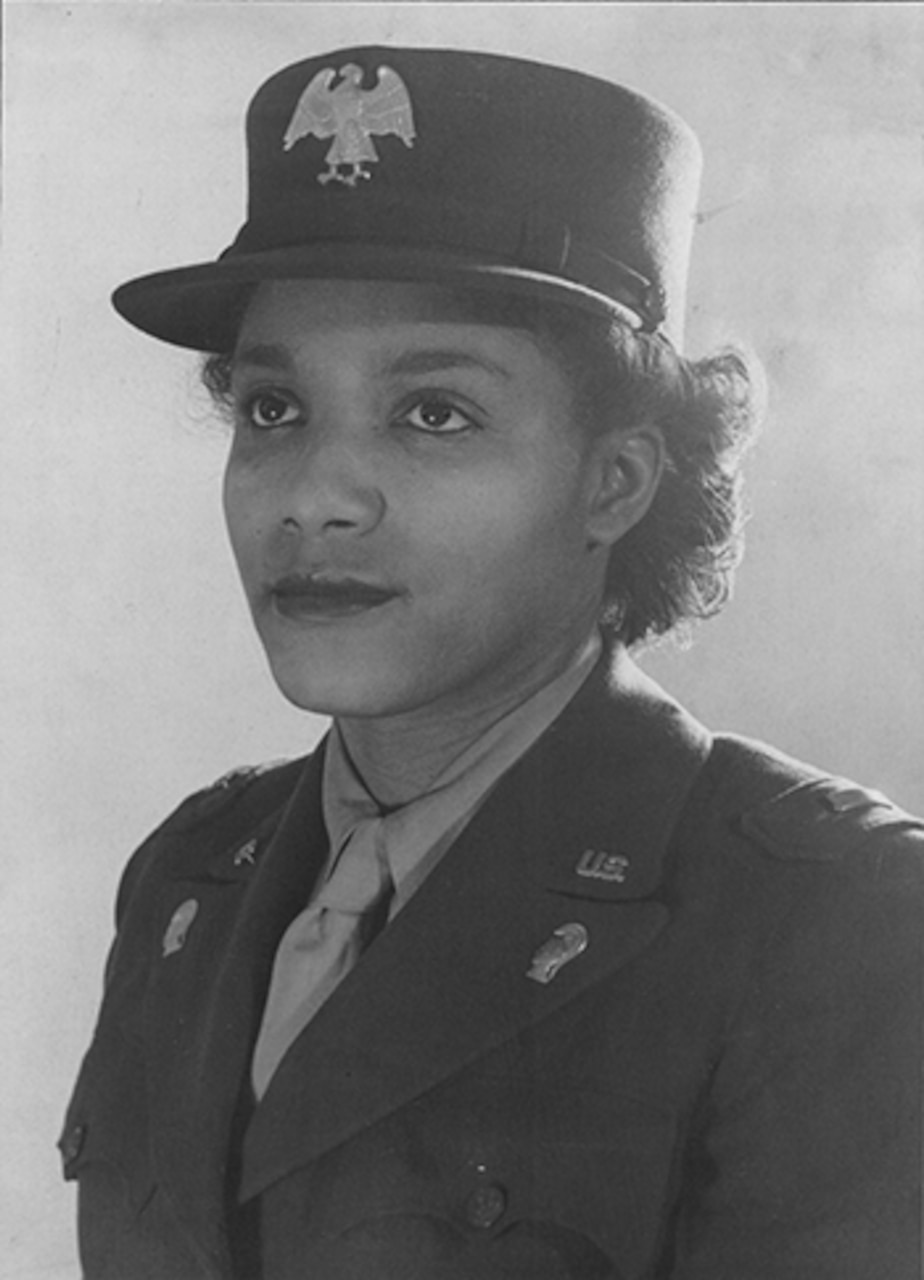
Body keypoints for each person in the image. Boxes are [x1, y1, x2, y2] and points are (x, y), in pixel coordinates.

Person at [59, 45, 923, 1280]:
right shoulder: (185, 881)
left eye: (436, 413)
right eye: (272, 409)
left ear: (614, 480)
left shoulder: (839, 923)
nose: (318, 496)